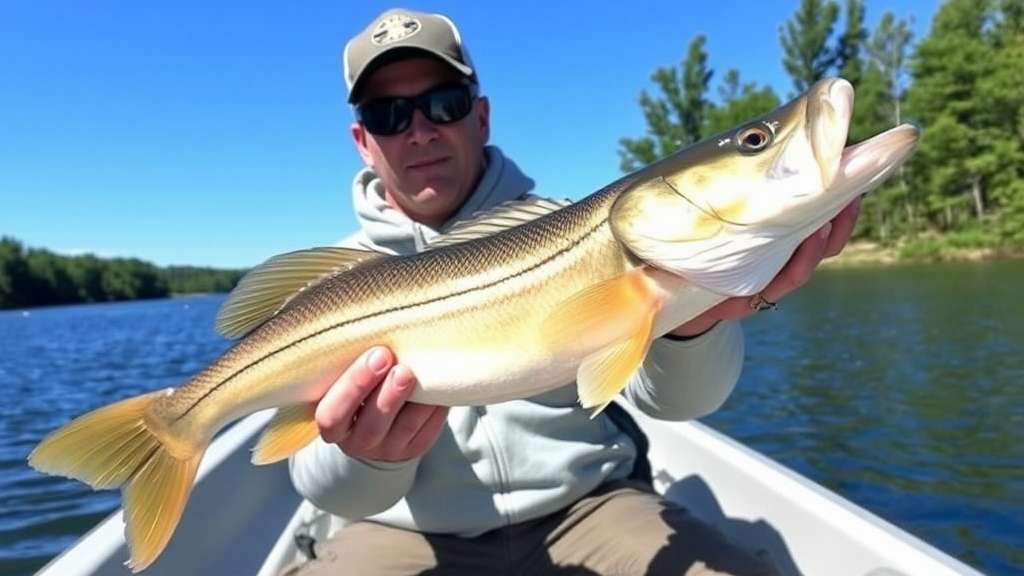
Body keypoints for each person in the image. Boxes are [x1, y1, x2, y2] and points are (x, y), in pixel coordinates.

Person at [286, 8, 862, 576]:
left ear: (480, 117)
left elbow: (677, 405)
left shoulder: (576, 224)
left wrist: (692, 319)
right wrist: (369, 457)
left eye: (444, 103)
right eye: (389, 114)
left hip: (590, 506)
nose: (420, 130)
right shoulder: (330, 286)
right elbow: (329, 490)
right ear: (363, 141)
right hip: (403, 531)